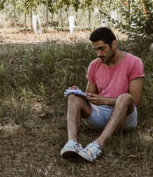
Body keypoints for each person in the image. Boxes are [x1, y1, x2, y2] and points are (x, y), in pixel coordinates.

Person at [61, 27, 144, 162]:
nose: (98, 53)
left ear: (114, 44)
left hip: (124, 117)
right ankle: (72, 143)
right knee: (72, 97)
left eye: (102, 48)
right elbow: (91, 96)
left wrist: (105, 100)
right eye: (96, 50)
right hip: (101, 114)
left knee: (125, 97)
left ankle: (98, 144)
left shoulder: (134, 62)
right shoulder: (94, 65)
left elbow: (135, 100)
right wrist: (80, 93)